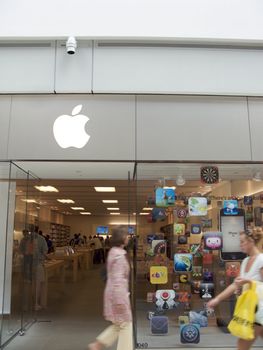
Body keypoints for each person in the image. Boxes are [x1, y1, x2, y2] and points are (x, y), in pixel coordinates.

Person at [207, 227, 263, 350]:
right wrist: (217, 299)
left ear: (251, 242)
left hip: (259, 311)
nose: (240, 245)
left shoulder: (261, 260)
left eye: (242, 242)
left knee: (242, 345)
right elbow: (235, 285)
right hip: (251, 310)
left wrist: (247, 281)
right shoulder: (245, 261)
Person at [88, 226, 133, 350]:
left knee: (119, 323)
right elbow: (118, 279)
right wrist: (121, 299)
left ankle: (98, 344)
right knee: (125, 324)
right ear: (122, 238)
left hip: (114, 292)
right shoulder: (119, 255)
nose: (128, 238)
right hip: (118, 294)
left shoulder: (114, 251)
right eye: (127, 235)